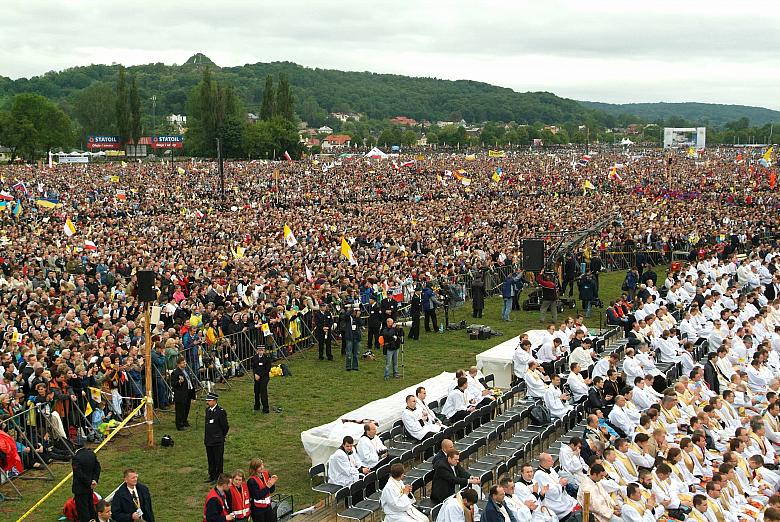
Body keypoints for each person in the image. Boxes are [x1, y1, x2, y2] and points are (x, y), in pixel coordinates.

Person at [205, 392, 230, 484]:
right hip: (208, 439)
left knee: (218, 459)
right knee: (210, 458)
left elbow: (225, 426)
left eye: (209, 400)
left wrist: (220, 436)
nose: (208, 402)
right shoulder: (207, 410)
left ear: (215, 401)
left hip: (217, 440)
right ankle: (211, 475)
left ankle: (218, 477)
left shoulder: (221, 412)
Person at [72, 447, 101, 522]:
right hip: (90, 488)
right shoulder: (91, 453)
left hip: (80, 489)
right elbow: (97, 467)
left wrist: (89, 482)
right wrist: (94, 480)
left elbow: (78, 473)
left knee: (83, 512)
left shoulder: (76, 458)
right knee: (90, 506)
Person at [170, 356, 194, 431]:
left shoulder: (186, 370)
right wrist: (179, 382)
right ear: (178, 364)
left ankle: (184, 421)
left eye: (185, 362)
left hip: (188, 391)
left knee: (187, 408)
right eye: (183, 362)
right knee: (180, 410)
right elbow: (173, 383)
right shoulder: (175, 373)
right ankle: (179, 424)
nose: (185, 363)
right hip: (180, 394)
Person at [340, 304, 363, 371]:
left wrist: (358, 316)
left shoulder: (358, 317)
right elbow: (346, 315)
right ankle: (348, 366)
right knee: (349, 353)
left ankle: (355, 366)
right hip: (349, 336)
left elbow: (361, 323)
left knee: (356, 353)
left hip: (356, 337)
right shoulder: (348, 318)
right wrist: (352, 308)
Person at [251, 345, 271, 413]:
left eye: (262, 350)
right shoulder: (255, 357)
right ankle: (257, 406)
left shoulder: (267, 358)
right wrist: (255, 374)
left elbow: (267, 369)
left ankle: (266, 408)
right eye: (259, 350)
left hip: (264, 377)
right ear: (257, 351)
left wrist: (259, 375)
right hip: (256, 377)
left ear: (264, 351)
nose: (261, 351)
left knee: (263, 392)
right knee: (256, 392)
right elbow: (254, 367)